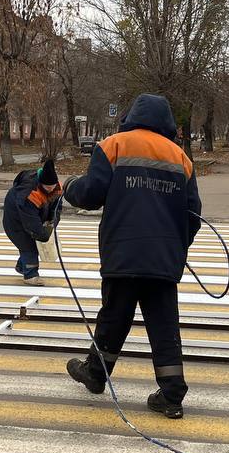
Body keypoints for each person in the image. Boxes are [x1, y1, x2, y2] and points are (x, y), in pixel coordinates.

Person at [62, 93, 201, 419]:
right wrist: (177, 249)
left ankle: (96, 374)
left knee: (114, 317)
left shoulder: (113, 146)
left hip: (122, 254)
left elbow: (91, 194)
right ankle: (172, 395)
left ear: (132, 116)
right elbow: (193, 214)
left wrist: (69, 187)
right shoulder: (180, 157)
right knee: (164, 325)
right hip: (163, 259)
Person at [2, 158, 63, 285]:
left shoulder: (56, 187)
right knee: (28, 245)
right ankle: (30, 275)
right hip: (15, 219)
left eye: (52, 186)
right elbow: (30, 220)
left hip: (34, 215)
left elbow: (56, 208)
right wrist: (42, 234)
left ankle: (22, 266)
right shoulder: (30, 192)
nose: (50, 189)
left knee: (33, 243)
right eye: (47, 187)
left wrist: (52, 221)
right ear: (41, 183)